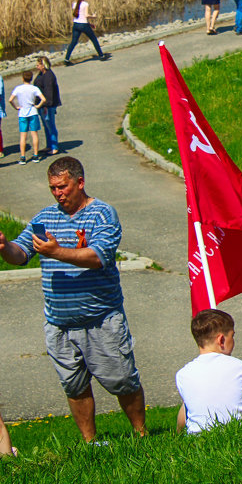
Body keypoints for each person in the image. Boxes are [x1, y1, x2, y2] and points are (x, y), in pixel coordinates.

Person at [0, 156, 147, 441]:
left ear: (80, 182)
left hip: (101, 319)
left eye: (63, 186)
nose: (58, 193)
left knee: (123, 381)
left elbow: (98, 256)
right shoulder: (45, 218)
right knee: (74, 386)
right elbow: (20, 254)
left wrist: (57, 252)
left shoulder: (102, 214)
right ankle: (90, 443)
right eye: (53, 188)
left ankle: (141, 436)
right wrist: (5, 246)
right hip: (59, 324)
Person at [176, 309, 242, 433]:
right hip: (241, 429)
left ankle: (184, 433)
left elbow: (186, 409)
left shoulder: (183, 374)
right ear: (221, 340)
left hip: (200, 435)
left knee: (188, 404)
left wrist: (179, 432)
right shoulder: (239, 366)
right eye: (232, 336)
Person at [63, 0, 107, 65]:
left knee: (73, 41)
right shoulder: (85, 4)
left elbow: (79, 16)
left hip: (76, 24)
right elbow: (86, 15)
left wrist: (89, 24)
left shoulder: (75, 4)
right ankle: (101, 56)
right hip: (83, 25)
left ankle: (66, 59)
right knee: (93, 39)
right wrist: (93, 16)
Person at [8, 70, 45, 164]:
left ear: (22, 78)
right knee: (34, 134)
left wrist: (16, 107)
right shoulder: (34, 88)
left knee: (23, 135)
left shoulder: (18, 89)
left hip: (22, 113)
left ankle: (23, 156)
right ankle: (36, 155)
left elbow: (10, 100)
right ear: (31, 78)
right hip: (32, 111)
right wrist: (38, 105)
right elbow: (43, 99)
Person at [33, 56, 61, 156]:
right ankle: (49, 145)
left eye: (38, 65)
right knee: (46, 126)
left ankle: (54, 147)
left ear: (43, 65)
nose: (36, 67)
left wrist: (46, 105)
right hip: (41, 104)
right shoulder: (41, 74)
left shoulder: (49, 76)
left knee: (51, 125)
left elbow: (49, 93)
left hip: (47, 105)